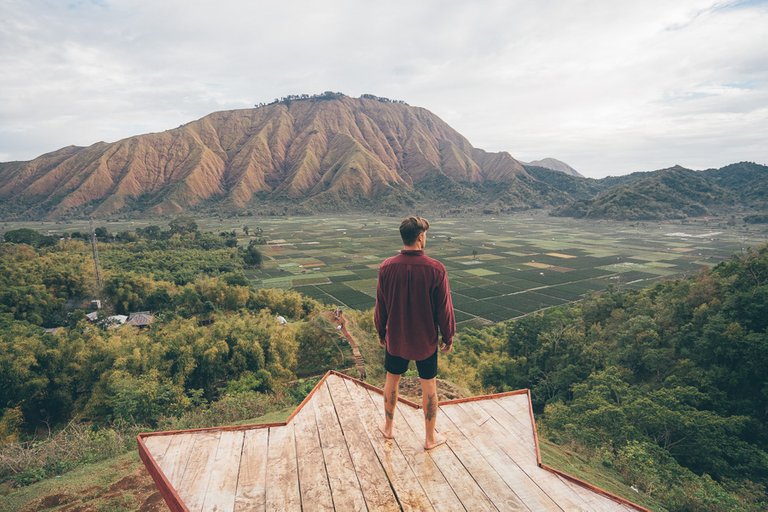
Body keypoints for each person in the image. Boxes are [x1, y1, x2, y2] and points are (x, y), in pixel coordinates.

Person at [374, 215, 456, 450]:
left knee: (392, 381)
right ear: (420, 237)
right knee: (429, 387)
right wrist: (448, 335)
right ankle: (430, 439)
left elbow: (381, 305)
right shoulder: (436, 269)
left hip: (396, 338)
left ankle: (388, 429)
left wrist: (381, 332)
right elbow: (445, 308)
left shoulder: (386, 267)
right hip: (425, 341)